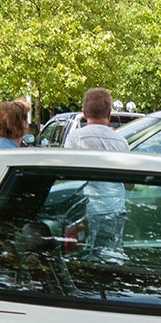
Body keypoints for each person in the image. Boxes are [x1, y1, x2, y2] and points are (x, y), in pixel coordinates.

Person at [63, 87, 130, 260]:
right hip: (115, 208)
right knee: (111, 256)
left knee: (83, 257)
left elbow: (67, 176)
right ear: (109, 113)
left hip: (87, 209)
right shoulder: (121, 142)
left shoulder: (75, 138)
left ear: (84, 113)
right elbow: (129, 182)